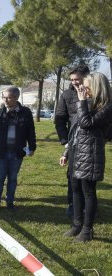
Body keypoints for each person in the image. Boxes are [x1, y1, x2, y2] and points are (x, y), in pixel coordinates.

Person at [60, 72, 112, 242]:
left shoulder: (106, 106)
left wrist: (82, 102)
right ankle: (77, 225)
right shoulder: (86, 103)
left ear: (96, 87)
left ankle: (87, 230)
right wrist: (67, 152)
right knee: (75, 188)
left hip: (90, 153)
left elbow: (86, 123)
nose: (82, 88)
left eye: (87, 85)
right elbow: (75, 130)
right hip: (76, 152)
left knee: (88, 192)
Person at [0, 86, 36, 213]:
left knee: (13, 179)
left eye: (8, 97)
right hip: (1, 153)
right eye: (4, 97)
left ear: (16, 97)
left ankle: (10, 202)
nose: (5, 100)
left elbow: (31, 131)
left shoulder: (26, 112)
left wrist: (32, 147)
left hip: (17, 153)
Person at [55, 65, 90, 218]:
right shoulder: (67, 95)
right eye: (72, 80)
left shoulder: (95, 92)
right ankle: (73, 204)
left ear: (86, 77)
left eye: (77, 79)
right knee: (73, 176)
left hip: (90, 142)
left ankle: (88, 207)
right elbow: (60, 119)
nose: (74, 82)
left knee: (88, 177)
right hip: (74, 142)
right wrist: (65, 141)